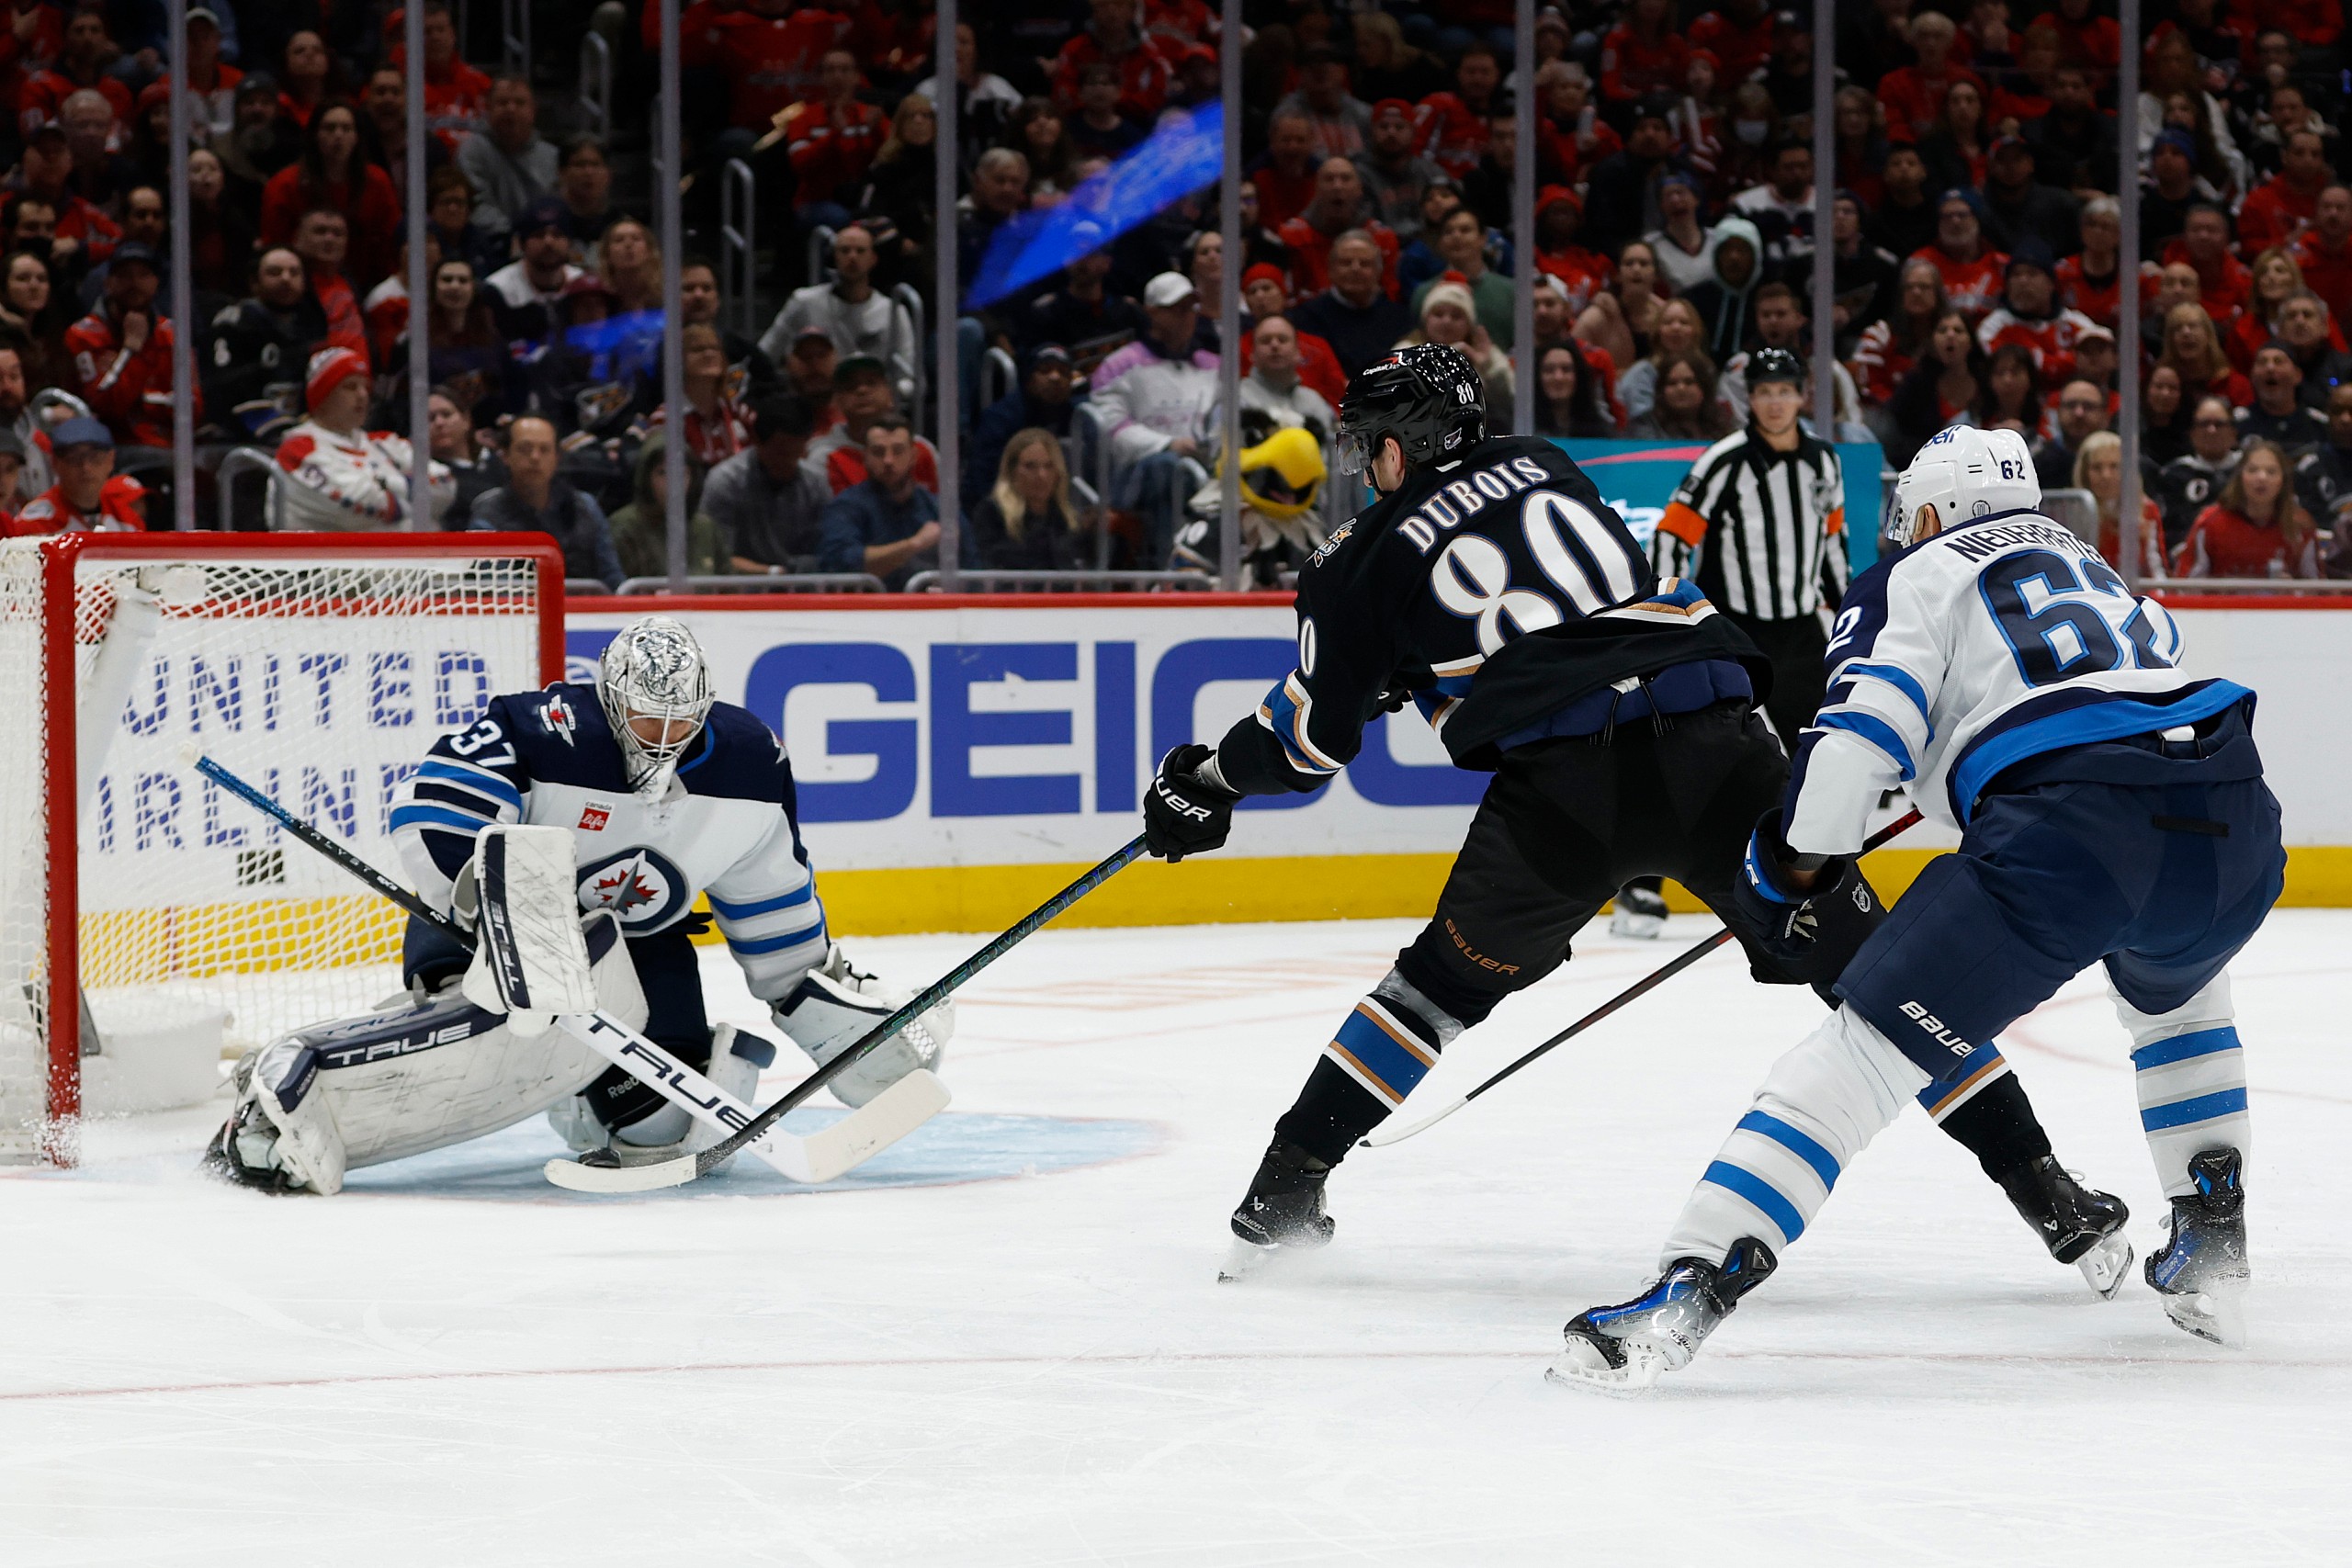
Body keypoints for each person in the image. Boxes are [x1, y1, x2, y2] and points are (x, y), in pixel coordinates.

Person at [1146, 345, 2100, 1290]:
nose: (1366, 467)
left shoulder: (1355, 562)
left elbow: (1309, 740)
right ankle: (2049, 1193)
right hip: (1715, 747)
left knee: (1430, 992)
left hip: (1564, 794)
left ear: (1403, 444)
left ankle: (1281, 1189)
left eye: (1371, 446)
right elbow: (1576, 599)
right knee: (1893, 986)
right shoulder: (1547, 464)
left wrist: (1207, 779)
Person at [1555, 421, 2280, 1391]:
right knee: (2181, 1001)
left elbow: (1859, 737)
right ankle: (2212, 1237)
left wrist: (1797, 867)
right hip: (2232, 811)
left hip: (2073, 832)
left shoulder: (1918, 574)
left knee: (1861, 1054)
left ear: (1932, 511)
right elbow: (2100, 693)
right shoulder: (2090, 561)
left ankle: (1688, 1286)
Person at [209, 615, 951, 1187]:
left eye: (680, 722)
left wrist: (826, 1012)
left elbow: (774, 908)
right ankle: (349, 1064)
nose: (662, 741)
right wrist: (500, 913)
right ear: (610, 699)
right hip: (485, 936)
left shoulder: (750, 763)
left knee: (660, 1129)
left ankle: (577, 1095)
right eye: (646, 720)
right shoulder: (543, 729)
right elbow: (435, 807)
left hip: (635, 946)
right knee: (477, 1041)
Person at [1651, 348, 1849, 746]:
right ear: (1750, 398)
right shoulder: (1724, 462)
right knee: (1722, 741)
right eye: (1764, 392)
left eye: (1784, 391)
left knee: (1819, 742)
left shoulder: (1824, 462)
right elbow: (1671, 535)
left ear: (1800, 396)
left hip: (1800, 628)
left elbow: (1832, 541)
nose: (1775, 402)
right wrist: (1671, 617)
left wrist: (1846, 609)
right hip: (1737, 626)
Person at [1092, 272, 1219, 564]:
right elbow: (1110, 428)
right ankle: (1169, 566)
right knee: (1169, 468)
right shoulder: (1118, 365)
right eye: (1176, 309)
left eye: (1190, 309)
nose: (1186, 317)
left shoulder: (1213, 366)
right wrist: (1168, 444)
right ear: (1152, 313)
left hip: (1200, 467)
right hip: (1136, 475)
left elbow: (1226, 418)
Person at [275, 347, 452, 531]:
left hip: (408, 556)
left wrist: (385, 488)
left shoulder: (384, 443)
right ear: (323, 396)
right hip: (332, 558)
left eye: (365, 387)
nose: (362, 395)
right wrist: (411, 488)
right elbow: (354, 506)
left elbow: (446, 484)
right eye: (350, 387)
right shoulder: (298, 450)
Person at [259, 99, 402, 290]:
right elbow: (274, 246)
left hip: (367, 285)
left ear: (357, 136)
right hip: (299, 287)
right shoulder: (285, 184)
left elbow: (391, 242)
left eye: (346, 129)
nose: (338, 135)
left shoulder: (377, 182)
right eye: (329, 128)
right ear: (315, 135)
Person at [64, 242, 189, 448]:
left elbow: (192, 408)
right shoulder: (84, 335)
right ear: (108, 282)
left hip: (170, 444)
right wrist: (131, 349)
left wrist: (141, 400)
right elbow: (106, 404)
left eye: (143, 275)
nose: (135, 283)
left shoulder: (171, 333)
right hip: (111, 445)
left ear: (156, 282)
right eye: (125, 275)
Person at [204, 246, 328, 441]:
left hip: (296, 429)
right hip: (241, 435)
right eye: (274, 272)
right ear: (254, 283)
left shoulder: (312, 323)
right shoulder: (234, 324)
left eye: (294, 273)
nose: (286, 278)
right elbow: (230, 390)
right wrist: (282, 432)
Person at [705, 397, 833, 576]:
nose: (787, 462)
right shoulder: (725, 481)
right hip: (741, 588)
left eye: (795, 453)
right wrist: (773, 573)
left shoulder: (817, 482)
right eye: (780, 452)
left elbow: (827, 549)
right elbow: (715, 556)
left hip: (803, 585)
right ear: (757, 441)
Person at [818, 416, 942, 589]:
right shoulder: (846, 507)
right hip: (861, 611)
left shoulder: (937, 509)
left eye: (898, 451)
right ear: (865, 457)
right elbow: (841, 564)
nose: (888, 461)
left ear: (914, 456)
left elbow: (970, 569)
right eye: (878, 452)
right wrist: (914, 544)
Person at [2174, 438, 2316, 578]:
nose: (2262, 478)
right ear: (2240, 477)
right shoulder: (2211, 522)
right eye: (2253, 470)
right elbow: (2186, 585)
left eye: (2271, 472)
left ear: (2283, 481)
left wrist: (2293, 591)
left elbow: (2318, 590)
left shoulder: (2300, 524)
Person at [967, 343, 1080, 511]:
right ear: (1029, 380)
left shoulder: (1078, 417)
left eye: (1063, 372)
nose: (1055, 377)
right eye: (1045, 370)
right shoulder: (1001, 418)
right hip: (1003, 509)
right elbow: (982, 480)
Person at [806, 355, 940, 493]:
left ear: (890, 395)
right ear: (837, 402)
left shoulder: (922, 449)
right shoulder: (822, 457)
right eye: (851, 387)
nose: (862, 390)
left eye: (871, 383)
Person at [1290, 231, 1412, 382]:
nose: (1355, 269)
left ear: (1378, 271)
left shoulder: (1399, 318)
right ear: (1331, 270)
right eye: (1346, 263)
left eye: (1365, 264)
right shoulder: (1307, 317)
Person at [607, 432, 727, 581]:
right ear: (646, 477)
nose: (674, 484)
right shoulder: (624, 527)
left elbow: (730, 587)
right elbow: (618, 587)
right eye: (662, 473)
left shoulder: (706, 527)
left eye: (682, 473)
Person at [972, 427, 1094, 570]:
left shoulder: (1068, 518)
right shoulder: (991, 513)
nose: (1041, 475)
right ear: (1012, 471)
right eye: (1030, 466)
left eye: (1049, 466)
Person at [457, 73, 558, 237]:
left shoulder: (550, 156)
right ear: (487, 108)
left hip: (541, 240)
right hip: (488, 241)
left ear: (533, 110)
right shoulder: (471, 150)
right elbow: (475, 206)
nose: (511, 109)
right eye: (503, 103)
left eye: (519, 103)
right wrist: (514, 235)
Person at [5, 415, 141, 533]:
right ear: (56, 463)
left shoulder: (126, 519)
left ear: (111, 460)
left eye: (95, 458)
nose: (86, 468)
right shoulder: (34, 524)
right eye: (75, 459)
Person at [485, 198, 585, 349]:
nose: (548, 242)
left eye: (557, 235)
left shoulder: (582, 285)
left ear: (569, 243)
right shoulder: (498, 289)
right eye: (539, 235)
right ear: (522, 243)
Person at [2073, 429, 2167, 578]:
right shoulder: (2074, 510)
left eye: (2114, 466)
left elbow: (2157, 571)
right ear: (2085, 472)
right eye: (2097, 467)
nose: (2106, 475)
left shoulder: (2147, 510)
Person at [2157, 395, 2248, 547]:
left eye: (2219, 424)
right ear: (2192, 432)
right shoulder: (2174, 474)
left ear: (2233, 432)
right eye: (2204, 424)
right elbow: (2168, 530)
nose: (2211, 430)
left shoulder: (2249, 470)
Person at [2235, 342, 2329, 453]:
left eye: (2278, 362)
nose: (2270, 368)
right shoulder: (2237, 422)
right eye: (2262, 362)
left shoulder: (2318, 424)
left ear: (2297, 375)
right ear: (2252, 376)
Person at [1629, 350, 1732, 440]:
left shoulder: (1719, 422)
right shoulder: (1646, 425)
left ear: (1704, 387)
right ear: (1661, 390)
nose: (1681, 389)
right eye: (1672, 383)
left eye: (1689, 382)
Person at [2032, 378, 2111, 491]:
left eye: (2088, 406)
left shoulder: (2124, 462)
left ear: (2105, 417)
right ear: (2058, 413)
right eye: (2070, 405)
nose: (2078, 413)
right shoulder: (2036, 466)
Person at [1532, 341, 1618, 438]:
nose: (1558, 377)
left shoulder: (1601, 432)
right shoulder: (1521, 426)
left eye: (1566, 369)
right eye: (1549, 370)